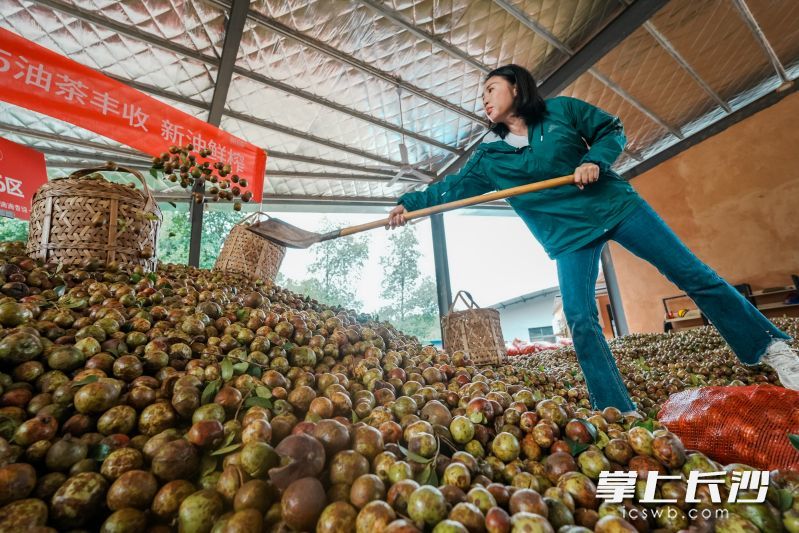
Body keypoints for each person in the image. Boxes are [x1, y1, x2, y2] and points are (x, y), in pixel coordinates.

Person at [387, 64, 798, 413]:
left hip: (615, 208)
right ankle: (617, 410)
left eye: (490, 89)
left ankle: (770, 348)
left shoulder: (561, 112)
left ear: (516, 86)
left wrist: (593, 159)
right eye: (482, 96)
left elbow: (610, 130)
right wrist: (409, 204)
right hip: (569, 237)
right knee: (581, 319)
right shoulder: (489, 155)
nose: (484, 99)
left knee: (692, 274)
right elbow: (450, 188)